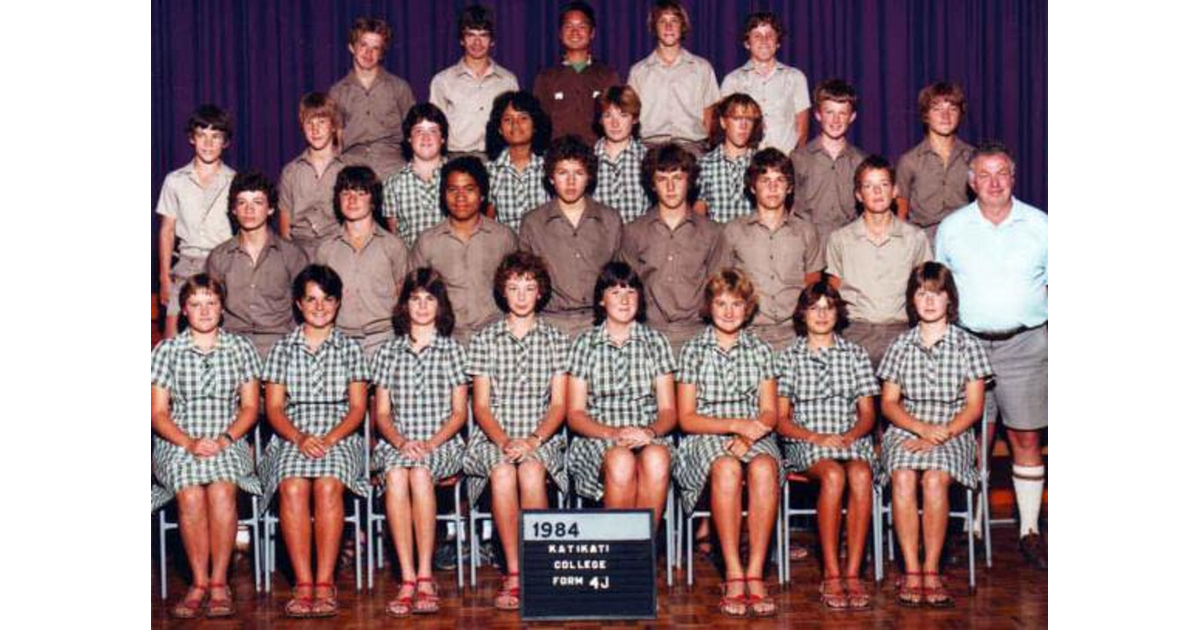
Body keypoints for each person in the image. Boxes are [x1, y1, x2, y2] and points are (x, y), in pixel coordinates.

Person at [935, 141, 1048, 570]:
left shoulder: (1040, 224)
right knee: (972, 440)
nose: (994, 182)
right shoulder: (952, 228)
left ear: (1013, 178)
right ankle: (973, 526)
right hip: (968, 345)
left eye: (1002, 173)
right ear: (971, 181)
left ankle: (1029, 530)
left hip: (1026, 342)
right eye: (985, 175)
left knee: (1025, 437)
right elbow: (938, 291)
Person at [878, 262, 992, 607]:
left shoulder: (968, 345)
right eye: (922, 293)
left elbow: (973, 407)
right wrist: (921, 429)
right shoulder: (900, 345)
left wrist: (941, 434)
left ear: (949, 299)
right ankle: (911, 570)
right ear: (913, 300)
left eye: (937, 293)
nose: (929, 301)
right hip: (907, 429)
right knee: (901, 475)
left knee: (934, 479)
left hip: (953, 430)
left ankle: (931, 570)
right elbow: (889, 404)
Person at [259, 265, 370, 618]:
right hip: (292, 433)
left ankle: (325, 582)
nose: (319, 307)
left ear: (337, 304)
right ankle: (303, 583)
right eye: (311, 299)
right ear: (298, 303)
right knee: (291, 487)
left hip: (340, 434)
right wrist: (300, 437)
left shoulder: (351, 349)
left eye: (327, 299)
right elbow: (274, 409)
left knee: (326, 485)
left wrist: (330, 438)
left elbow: (357, 409)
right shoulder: (282, 349)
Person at [463, 251, 570, 611]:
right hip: (494, 436)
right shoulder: (484, 339)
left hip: (541, 435)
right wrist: (506, 441)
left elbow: (559, 404)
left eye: (529, 287)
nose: (521, 295)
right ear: (502, 292)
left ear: (540, 292)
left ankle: (537, 569)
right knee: (504, 473)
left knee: (532, 469)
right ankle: (513, 571)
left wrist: (534, 440)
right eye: (513, 288)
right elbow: (480, 405)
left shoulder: (557, 339)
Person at [151, 274, 262, 618]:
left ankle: (219, 582)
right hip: (179, 441)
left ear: (222, 307)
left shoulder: (240, 348)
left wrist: (226, 438)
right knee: (190, 491)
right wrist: (189, 442)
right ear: (184, 310)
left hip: (227, 438)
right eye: (196, 304)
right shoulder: (167, 350)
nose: (204, 311)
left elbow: (250, 407)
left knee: (222, 489)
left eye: (211, 303)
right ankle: (198, 582)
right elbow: (157, 412)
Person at [674, 269, 781, 618]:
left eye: (737, 304)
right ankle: (733, 572)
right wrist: (734, 426)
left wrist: (749, 431)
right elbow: (686, 418)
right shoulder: (692, 350)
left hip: (754, 432)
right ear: (709, 307)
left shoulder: (761, 349)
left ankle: (755, 571)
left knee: (765, 466)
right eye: (721, 303)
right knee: (726, 467)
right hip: (705, 434)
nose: (729, 311)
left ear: (748, 308)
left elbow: (769, 412)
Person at [371, 268, 471, 617]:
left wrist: (429, 444)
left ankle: (426, 573)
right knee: (398, 474)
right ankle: (408, 577)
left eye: (430, 299)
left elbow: (459, 413)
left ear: (440, 307)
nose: (423, 306)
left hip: (440, 444)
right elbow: (381, 414)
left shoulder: (453, 351)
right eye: (416, 299)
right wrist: (400, 442)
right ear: (404, 306)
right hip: (399, 443)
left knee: (419, 473)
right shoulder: (387, 353)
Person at [775, 282, 879, 610]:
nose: (821, 314)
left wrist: (851, 435)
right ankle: (831, 573)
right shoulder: (789, 357)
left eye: (828, 307)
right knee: (833, 475)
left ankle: (853, 572)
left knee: (861, 474)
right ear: (802, 314)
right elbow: (780, 419)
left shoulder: (855, 354)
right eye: (814, 308)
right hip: (806, 442)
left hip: (849, 439)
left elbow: (867, 413)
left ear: (838, 313)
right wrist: (815, 437)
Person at [566, 262, 676, 529]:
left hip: (646, 432)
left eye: (630, 292)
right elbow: (575, 414)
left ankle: (641, 553)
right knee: (621, 459)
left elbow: (668, 411)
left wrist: (648, 432)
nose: (624, 300)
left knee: (657, 457)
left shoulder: (656, 342)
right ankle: (619, 552)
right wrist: (614, 434)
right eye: (615, 292)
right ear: (601, 300)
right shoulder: (584, 344)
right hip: (599, 437)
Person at [826, 155, 932, 367]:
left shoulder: (914, 237)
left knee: (898, 400)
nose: (877, 192)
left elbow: (925, 289)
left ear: (894, 191)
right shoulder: (840, 238)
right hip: (855, 331)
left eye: (883, 184)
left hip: (901, 330)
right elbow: (833, 290)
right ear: (858, 194)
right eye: (868, 186)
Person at [619, 143, 725, 352]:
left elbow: (719, 290)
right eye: (662, 179)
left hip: (698, 335)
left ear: (690, 182)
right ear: (652, 184)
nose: (670, 188)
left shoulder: (712, 232)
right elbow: (627, 289)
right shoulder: (634, 231)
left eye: (677, 178)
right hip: (648, 335)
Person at [517, 135, 622, 339]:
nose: (571, 181)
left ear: (589, 176)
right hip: (550, 322)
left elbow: (619, 277)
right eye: (563, 173)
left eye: (578, 173)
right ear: (551, 177)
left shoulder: (610, 220)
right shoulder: (533, 222)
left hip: (599, 321)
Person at [410, 156, 518, 346]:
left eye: (469, 189)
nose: (460, 197)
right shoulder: (427, 241)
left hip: (495, 338)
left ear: (482, 194)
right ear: (443, 195)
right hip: (444, 341)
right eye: (452, 190)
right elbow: (413, 296)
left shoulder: (503, 237)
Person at [722, 148, 824, 350]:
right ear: (752, 187)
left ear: (789, 187)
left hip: (795, 334)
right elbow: (724, 285)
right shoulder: (733, 231)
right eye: (764, 180)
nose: (773, 187)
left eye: (779, 180)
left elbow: (813, 282)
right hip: (749, 333)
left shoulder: (806, 231)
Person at [206, 171, 309, 360]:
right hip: (232, 345)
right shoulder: (219, 256)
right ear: (233, 209)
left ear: (270, 209)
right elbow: (210, 309)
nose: (249, 209)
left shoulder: (292, 255)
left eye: (257, 202)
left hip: (281, 345)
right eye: (242, 202)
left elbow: (307, 309)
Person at [156, 104, 237, 339]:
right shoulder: (175, 181)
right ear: (192, 139)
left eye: (216, 137)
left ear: (226, 142)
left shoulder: (235, 181)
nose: (208, 144)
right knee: (171, 340)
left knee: (223, 337)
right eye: (202, 135)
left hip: (222, 266)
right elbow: (167, 231)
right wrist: (164, 278)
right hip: (186, 267)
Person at [315, 166, 409, 360]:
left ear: (373, 200)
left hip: (384, 339)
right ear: (337, 199)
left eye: (360, 193)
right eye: (346, 193)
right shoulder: (326, 248)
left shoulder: (393, 246)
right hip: (340, 341)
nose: (352, 199)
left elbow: (404, 297)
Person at [626, 0, 720, 154]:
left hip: (691, 147)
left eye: (674, 21)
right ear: (654, 28)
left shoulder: (701, 68)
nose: (668, 27)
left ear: (682, 27)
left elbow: (709, 113)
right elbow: (630, 114)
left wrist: (705, 144)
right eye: (662, 21)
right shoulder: (639, 71)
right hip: (650, 147)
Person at [329, 16, 415, 179]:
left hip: (392, 165)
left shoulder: (399, 87)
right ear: (352, 47)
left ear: (382, 54)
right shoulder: (337, 92)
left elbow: (414, 131)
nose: (368, 53)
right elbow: (335, 141)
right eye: (363, 45)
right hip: (352, 165)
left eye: (375, 48)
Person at [429, 5, 519, 158]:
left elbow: (516, 125)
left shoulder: (507, 81)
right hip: (455, 158)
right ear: (462, 40)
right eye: (471, 35)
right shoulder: (442, 81)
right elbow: (434, 128)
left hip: (498, 159)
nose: (477, 42)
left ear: (492, 41)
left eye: (483, 35)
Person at [719, 11, 810, 154]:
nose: (764, 40)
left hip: (784, 163)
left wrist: (794, 163)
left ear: (778, 42)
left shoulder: (795, 78)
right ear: (747, 43)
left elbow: (802, 130)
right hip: (746, 164)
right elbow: (726, 128)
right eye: (757, 36)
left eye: (770, 35)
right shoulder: (732, 81)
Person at [895, 81, 974, 243]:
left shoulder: (973, 157)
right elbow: (901, 212)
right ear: (926, 115)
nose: (945, 116)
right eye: (937, 109)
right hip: (923, 241)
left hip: (965, 238)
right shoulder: (909, 161)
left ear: (960, 114)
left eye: (952, 109)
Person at [790, 79, 867, 245]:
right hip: (808, 244)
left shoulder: (861, 161)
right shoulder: (799, 158)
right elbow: (789, 210)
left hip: (849, 245)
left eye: (842, 113)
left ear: (852, 117)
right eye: (829, 112)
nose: (836, 120)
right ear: (818, 114)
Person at [532, 1, 619, 145]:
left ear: (592, 33)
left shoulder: (608, 76)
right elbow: (538, 125)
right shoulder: (545, 77)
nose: (575, 32)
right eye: (568, 26)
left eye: (582, 27)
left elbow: (617, 121)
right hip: (557, 158)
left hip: (598, 156)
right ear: (560, 33)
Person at [279, 92, 347, 259]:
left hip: (338, 249)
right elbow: (285, 228)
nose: (315, 130)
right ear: (302, 126)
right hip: (300, 251)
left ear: (333, 126)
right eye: (310, 123)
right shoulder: (291, 172)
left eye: (322, 122)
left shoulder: (348, 168)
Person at [382, 103, 449, 246]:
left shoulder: (456, 178)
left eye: (433, 131)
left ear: (443, 138)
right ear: (409, 138)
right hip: (412, 264)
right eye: (419, 131)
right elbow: (394, 236)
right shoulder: (393, 184)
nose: (426, 137)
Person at [484, 91, 552, 230]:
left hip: (544, 247)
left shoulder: (550, 166)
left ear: (535, 125)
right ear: (499, 129)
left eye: (523, 118)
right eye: (508, 119)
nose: (515, 125)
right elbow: (488, 223)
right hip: (505, 249)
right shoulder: (489, 171)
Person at [694, 93, 764, 223]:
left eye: (749, 119)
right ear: (723, 122)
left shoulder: (761, 163)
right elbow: (699, 213)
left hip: (753, 240)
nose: (743, 126)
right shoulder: (705, 164)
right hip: (718, 240)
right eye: (737, 118)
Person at [591, 86, 650, 223]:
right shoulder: (589, 159)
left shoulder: (646, 158)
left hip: (638, 240)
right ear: (600, 120)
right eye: (608, 116)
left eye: (623, 115)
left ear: (634, 119)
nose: (615, 123)